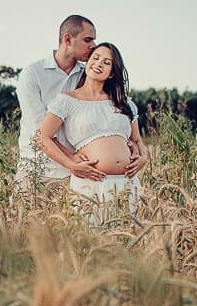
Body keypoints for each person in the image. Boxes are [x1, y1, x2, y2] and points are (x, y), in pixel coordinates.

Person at [34, 42, 148, 218]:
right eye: (95, 58)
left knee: (128, 239)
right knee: (91, 240)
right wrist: (71, 165)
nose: (99, 64)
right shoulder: (66, 101)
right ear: (87, 62)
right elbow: (42, 137)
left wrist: (143, 158)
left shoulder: (125, 103)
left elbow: (137, 140)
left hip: (128, 184)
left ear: (112, 73)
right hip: (90, 184)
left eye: (106, 62)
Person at [15, 14, 106, 186]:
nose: (93, 46)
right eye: (87, 40)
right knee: (23, 213)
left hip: (76, 173)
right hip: (35, 170)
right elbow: (39, 132)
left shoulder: (87, 75)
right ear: (68, 39)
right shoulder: (33, 74)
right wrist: (70, 159)